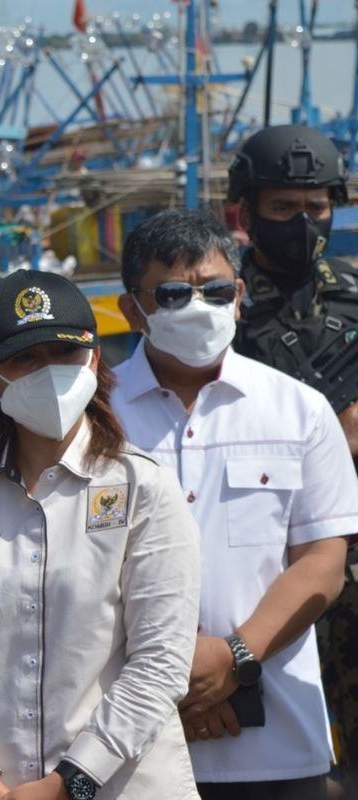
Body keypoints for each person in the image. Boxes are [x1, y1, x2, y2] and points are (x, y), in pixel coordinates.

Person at [0, 269, 203, 800]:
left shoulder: (144, 487)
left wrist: (71, 784)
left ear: (92, 361)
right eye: (27, 358)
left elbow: (160, 661)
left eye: (64, 354)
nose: (50, 373)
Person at [111, 208, 358, 800]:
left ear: (239, 295)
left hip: (279, 748)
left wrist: (234, 657)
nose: (198, 307)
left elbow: (322, 560)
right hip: (124, 745)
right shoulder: (96, 417)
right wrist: (176, 676)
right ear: (132, 308)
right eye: (172, 294)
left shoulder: (299, 411)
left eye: (216, 290)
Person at [227, 124, 358, 792]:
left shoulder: (356, 294)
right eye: (283, 209)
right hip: (265, 564)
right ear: (243, 210)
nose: (304, 224)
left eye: (316, 208)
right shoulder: (222, 305)